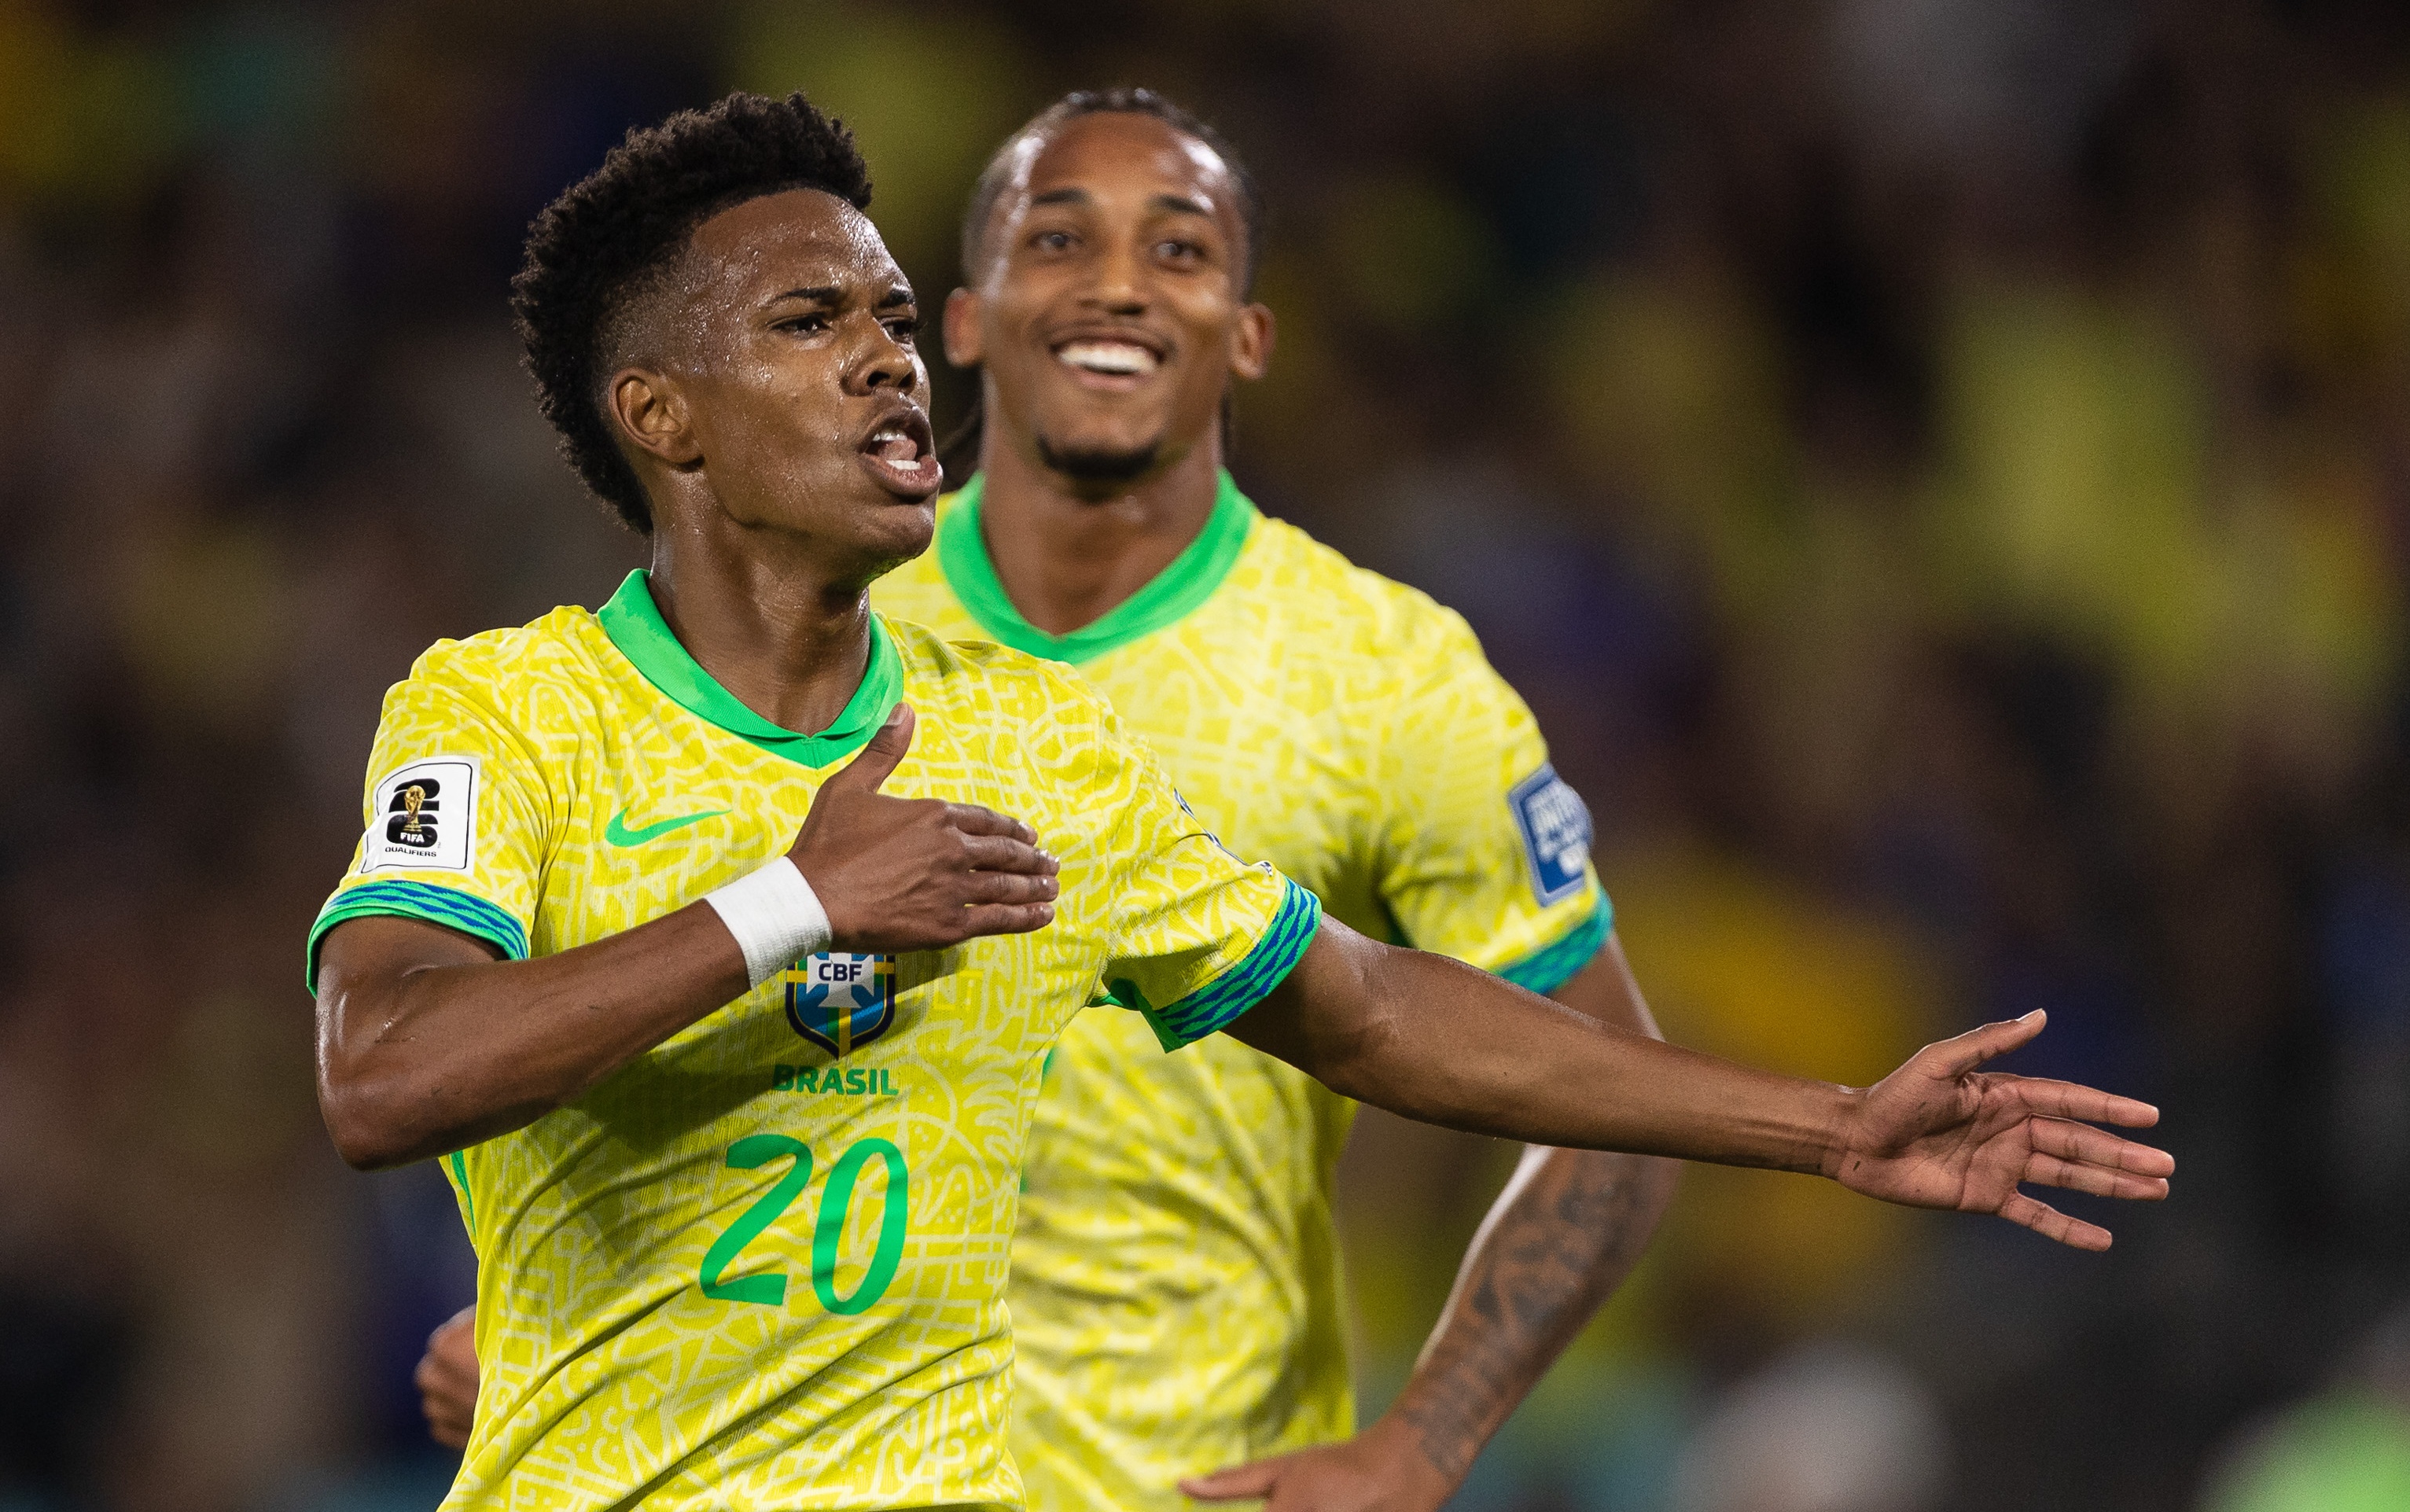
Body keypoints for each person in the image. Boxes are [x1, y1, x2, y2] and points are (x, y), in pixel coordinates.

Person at [315, 92, 2169, 1512]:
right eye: (812, 322)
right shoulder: (504, 711)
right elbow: (379, 1072)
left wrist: (1830, 1122)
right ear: (664, 413)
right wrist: (786, 906)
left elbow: (1369, 1005)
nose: (884, 355)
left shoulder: (1031, 751)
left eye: (887, 313)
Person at [420, 86, 1678, 1512]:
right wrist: (571, 1319)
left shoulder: (1383, 674)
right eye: (1061, 240)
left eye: (1182, 250)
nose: (1121, 286)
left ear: (1250, 335)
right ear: (971, 317)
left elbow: (1560, 1080)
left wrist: (1426, 1438)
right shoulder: (792, 592)